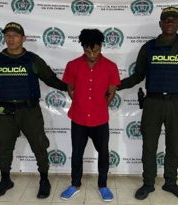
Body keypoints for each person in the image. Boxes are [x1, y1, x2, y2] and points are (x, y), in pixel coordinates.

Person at [117, 7, 178, 200]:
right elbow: (138, 76)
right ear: (160, 23)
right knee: (149, 146)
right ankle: (148, 183)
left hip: (177, 103)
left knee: (173, 146)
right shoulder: (148, 47)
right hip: (153, 103)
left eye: (174, 20)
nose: (170, 23)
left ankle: (171, 183)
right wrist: (116, 86)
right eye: (166, 20)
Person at [0, 22, 67, 198]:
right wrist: (5, 98)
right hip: (4, 112)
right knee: (4, 147)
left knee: (39, 146)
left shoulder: (32, 60)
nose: (10, 38)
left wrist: (70, 88)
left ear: (23, 38)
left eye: (15, 35)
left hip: (29, 111)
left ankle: (44, 180)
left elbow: (50, 79)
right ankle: (5, 179)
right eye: (7, 35)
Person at [60, 29, 120, 202]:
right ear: (83, 47)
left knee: (103, 153)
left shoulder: (111, 66)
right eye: (88, 50)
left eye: (96, 50)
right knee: (77, 152)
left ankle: (103, 185)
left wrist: (99, 106)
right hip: (78, 118)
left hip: (100, 119)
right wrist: (80, 103)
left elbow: (112, 91)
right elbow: (70, 88)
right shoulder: (73, 65)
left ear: (101, 46)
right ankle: (75, 184)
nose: (92, 54)